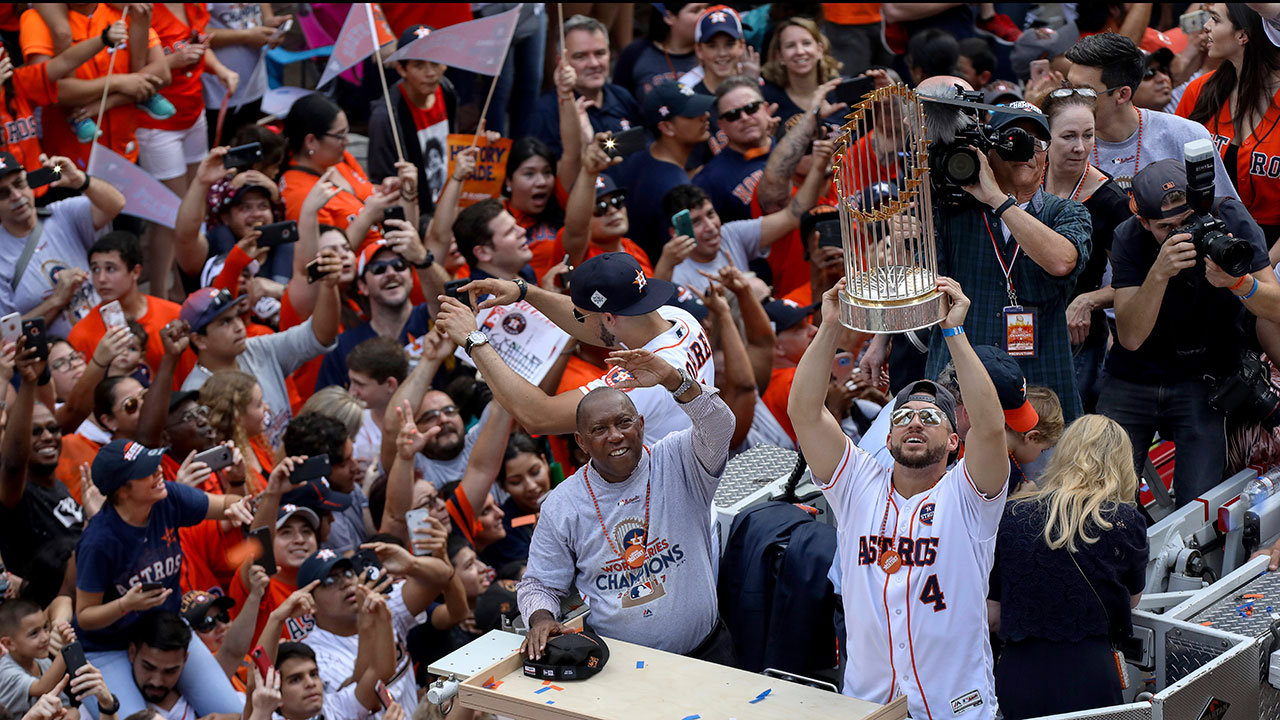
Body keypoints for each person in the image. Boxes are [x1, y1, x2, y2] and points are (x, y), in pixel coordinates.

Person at [790, 276, 1009, 720]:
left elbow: (989, 426)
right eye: (904, 416)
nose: (914, 423)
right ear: (887, 436)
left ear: (952, 442)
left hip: (956, 710)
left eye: (930, 417)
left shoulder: (969, 496)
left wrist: (954, 333)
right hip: (871, 707)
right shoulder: (856, 483)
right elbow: (805, 413)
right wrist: (830, 326)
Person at [517, 347, 736, 663]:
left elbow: (720, 425)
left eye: (624, 422)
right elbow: (540, 584)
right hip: (620, 669)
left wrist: (675, 381)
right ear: (581, 442)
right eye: (599, 429)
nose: (615, 436)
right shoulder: (563, 505)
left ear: (641, 425)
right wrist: (541, 619)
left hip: (708, 652)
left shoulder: (678, 458)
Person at [1101, 158, 1278, 505]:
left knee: (1198, 502)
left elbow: (1276, 307)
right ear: (1143, 221)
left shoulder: (1230, 217)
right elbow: (1131, 338)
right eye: (1167, 228)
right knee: (1107, 496)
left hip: (1204, 376)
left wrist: (1239, 283)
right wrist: (1158, 273)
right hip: (1134, 376)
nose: (1185, 235)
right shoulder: (1129, 236)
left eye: (1189, 222)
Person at [923, 86, 1091, 424]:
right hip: (961, 378)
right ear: (986, 150)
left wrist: (997, 199)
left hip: (1041, 382)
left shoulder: (1066, 213)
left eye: (1037, 143)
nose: (1025, 151)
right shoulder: (951, 210)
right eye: (1012, 139)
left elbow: (1061, 261)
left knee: (1045, 475)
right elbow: (925, 286)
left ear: (1046, 155)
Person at [437, 253, 716, 444]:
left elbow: (539, 417)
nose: (578, 322)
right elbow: (596, 326)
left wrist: (474, 339)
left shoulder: (644, 380)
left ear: (609, 317)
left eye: (582, 315)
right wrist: (525, 292)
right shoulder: (677, 318)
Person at [73, 439, 252, 717]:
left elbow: (226, 504)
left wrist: (237, 505)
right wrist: (125, 604)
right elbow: (84, 615)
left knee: (230, 712)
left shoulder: (168, 497)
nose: (158, 472)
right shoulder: (99, 541)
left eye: (155, 463)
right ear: (123, 489)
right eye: (146, 471)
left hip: (165, 634)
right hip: (108, 647)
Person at [990, 415, 1148, 718]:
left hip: (1020, 671)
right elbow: (1131, 600)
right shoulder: (1126, 522)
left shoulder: (1012, 515)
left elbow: (993, 615)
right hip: (1090, 673)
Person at [1040, 89, 1132, 414]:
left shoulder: (1110, 201)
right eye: (1068, 136)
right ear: (1045, 136)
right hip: (1022, 324)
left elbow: (1136, 278)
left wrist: (1087, 300)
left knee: (1065, 427)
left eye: (1088, 135)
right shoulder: (1024, 178)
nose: (1080, 147)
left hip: (1077, 337)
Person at [1066, 32, 1239, 193]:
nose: (1070, 100)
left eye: (1084, 92)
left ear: (1122, 94)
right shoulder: (1062, 145)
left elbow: (1224, 210)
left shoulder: (1187, 136)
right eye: (1067, 87)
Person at [299, 540, 452, 717]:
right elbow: (353, 702)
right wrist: (367, 627)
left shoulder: (382, 604)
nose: (345, 583)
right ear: (310, 602)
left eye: (348, 573)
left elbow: (442, 576)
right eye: (330, 581)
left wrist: (412, 564)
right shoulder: (314, 653)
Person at [180, 274, 339, 443]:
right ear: (199, 340)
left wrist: (329, 287)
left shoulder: (257, 348)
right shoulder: (195, 394)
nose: (239, 327)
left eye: (237, 316)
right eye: (225, 322)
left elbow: (319, 335)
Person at [1177, 5, 1280, 244]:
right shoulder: (1199, 91)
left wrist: (1265, 267)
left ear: (1242, 35)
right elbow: (1174, 165)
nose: (1206, 26)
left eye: (1215, 19)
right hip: (1207, 238)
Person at [0, 152, 124, 337]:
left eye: (20, 183)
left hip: (111, 335)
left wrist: (80, 180)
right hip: (62, 361)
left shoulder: (62, 213)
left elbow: (116, 204)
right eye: (3, 193)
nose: (17, 196)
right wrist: (56, 300)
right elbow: (6, 336)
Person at [278, 93, 416, 253]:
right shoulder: (298, 195)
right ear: (311, 141)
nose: (347, 141)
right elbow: (323, 260)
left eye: (347, 132)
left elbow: (368, 196)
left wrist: (400, 192)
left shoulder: (340, 160)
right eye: (340, 135)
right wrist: (367, 217)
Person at [68, 232, 193, 386]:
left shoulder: (174, 315)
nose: (101, 279)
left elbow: (190, 379)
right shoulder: (81, 334)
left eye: (110, 269)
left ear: (136, 272)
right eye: (95, 269)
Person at [663, 179, 829, 293]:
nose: (710, 226)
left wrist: (819, 164)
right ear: (675, 233)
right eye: (696, 222)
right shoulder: (677, 276)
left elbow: (792, 217)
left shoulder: (730, 234)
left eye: (711, 214)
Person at [314, 239, 433, 393]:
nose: (391, 273)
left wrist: (423, 258)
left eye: (399, 265)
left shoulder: (434, 318)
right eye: (379, 269)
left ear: (411, 277)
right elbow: (327, 409)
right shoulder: (344, 346)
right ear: (363, 286)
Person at [613, 81, 713, 261]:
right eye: (693, 113)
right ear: (667, 127)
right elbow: (685, 257)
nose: (705, 116)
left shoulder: (641, 152)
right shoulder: (675, 188)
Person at [368, 24, 457, 217]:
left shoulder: (446, 90)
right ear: (401, 69)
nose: (430, 73)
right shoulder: (386, 117)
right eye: (419, 65)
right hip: (416, 214)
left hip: (449, 201)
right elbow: (382, 181)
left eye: (435, 63)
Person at [529, 15, 642, 158]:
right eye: (581, 56)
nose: (594, 63)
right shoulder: (546, 111)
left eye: (600, 53)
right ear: (561, 62)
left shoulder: (622, 96)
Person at [0, 600, 116, 717]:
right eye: (34, 633)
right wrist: (65, 650)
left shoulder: (43, 661)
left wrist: (71, 713)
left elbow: (65, 706)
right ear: (9, 643)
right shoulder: (5, 670)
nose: (45, 637)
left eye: (46, 627)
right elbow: (42, 688)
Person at [202, 4, 291, 146]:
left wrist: (268, 22)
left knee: (246, 149)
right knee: (221, 153)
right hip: (219, 88)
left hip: (254, 80)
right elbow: (195, 33)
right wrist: (245, 36)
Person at [692, 77, 776, 223]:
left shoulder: (795, 148)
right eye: (733, 115)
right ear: (721, 125)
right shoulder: (710, 181)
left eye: (751, 108)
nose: (744, 118)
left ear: (767, 110)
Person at [760, 18, 845, 126]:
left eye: (806, 43)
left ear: (819, 50)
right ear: (780, 56)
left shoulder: (841, 92)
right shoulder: (767, 99)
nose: (800, 51)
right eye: (790, 45)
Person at [613, 2, 704, 102]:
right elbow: (618, 103)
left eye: (706, 8)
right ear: (669, 17)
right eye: (696, 10)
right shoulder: (635, 53)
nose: (705, 14)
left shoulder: (713, 52)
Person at [345, 336, 408, 473]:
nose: (352, 392)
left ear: (390, 385)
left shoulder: (419, 421)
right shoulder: (349, 421)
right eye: (351, 382)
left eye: (359, 384)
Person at [677, 6, 754, 96]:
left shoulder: (754, 79)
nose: (722, 53)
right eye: (712, 46)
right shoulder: (685, 90)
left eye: (729, 44)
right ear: (699, 50)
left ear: (741, 46)